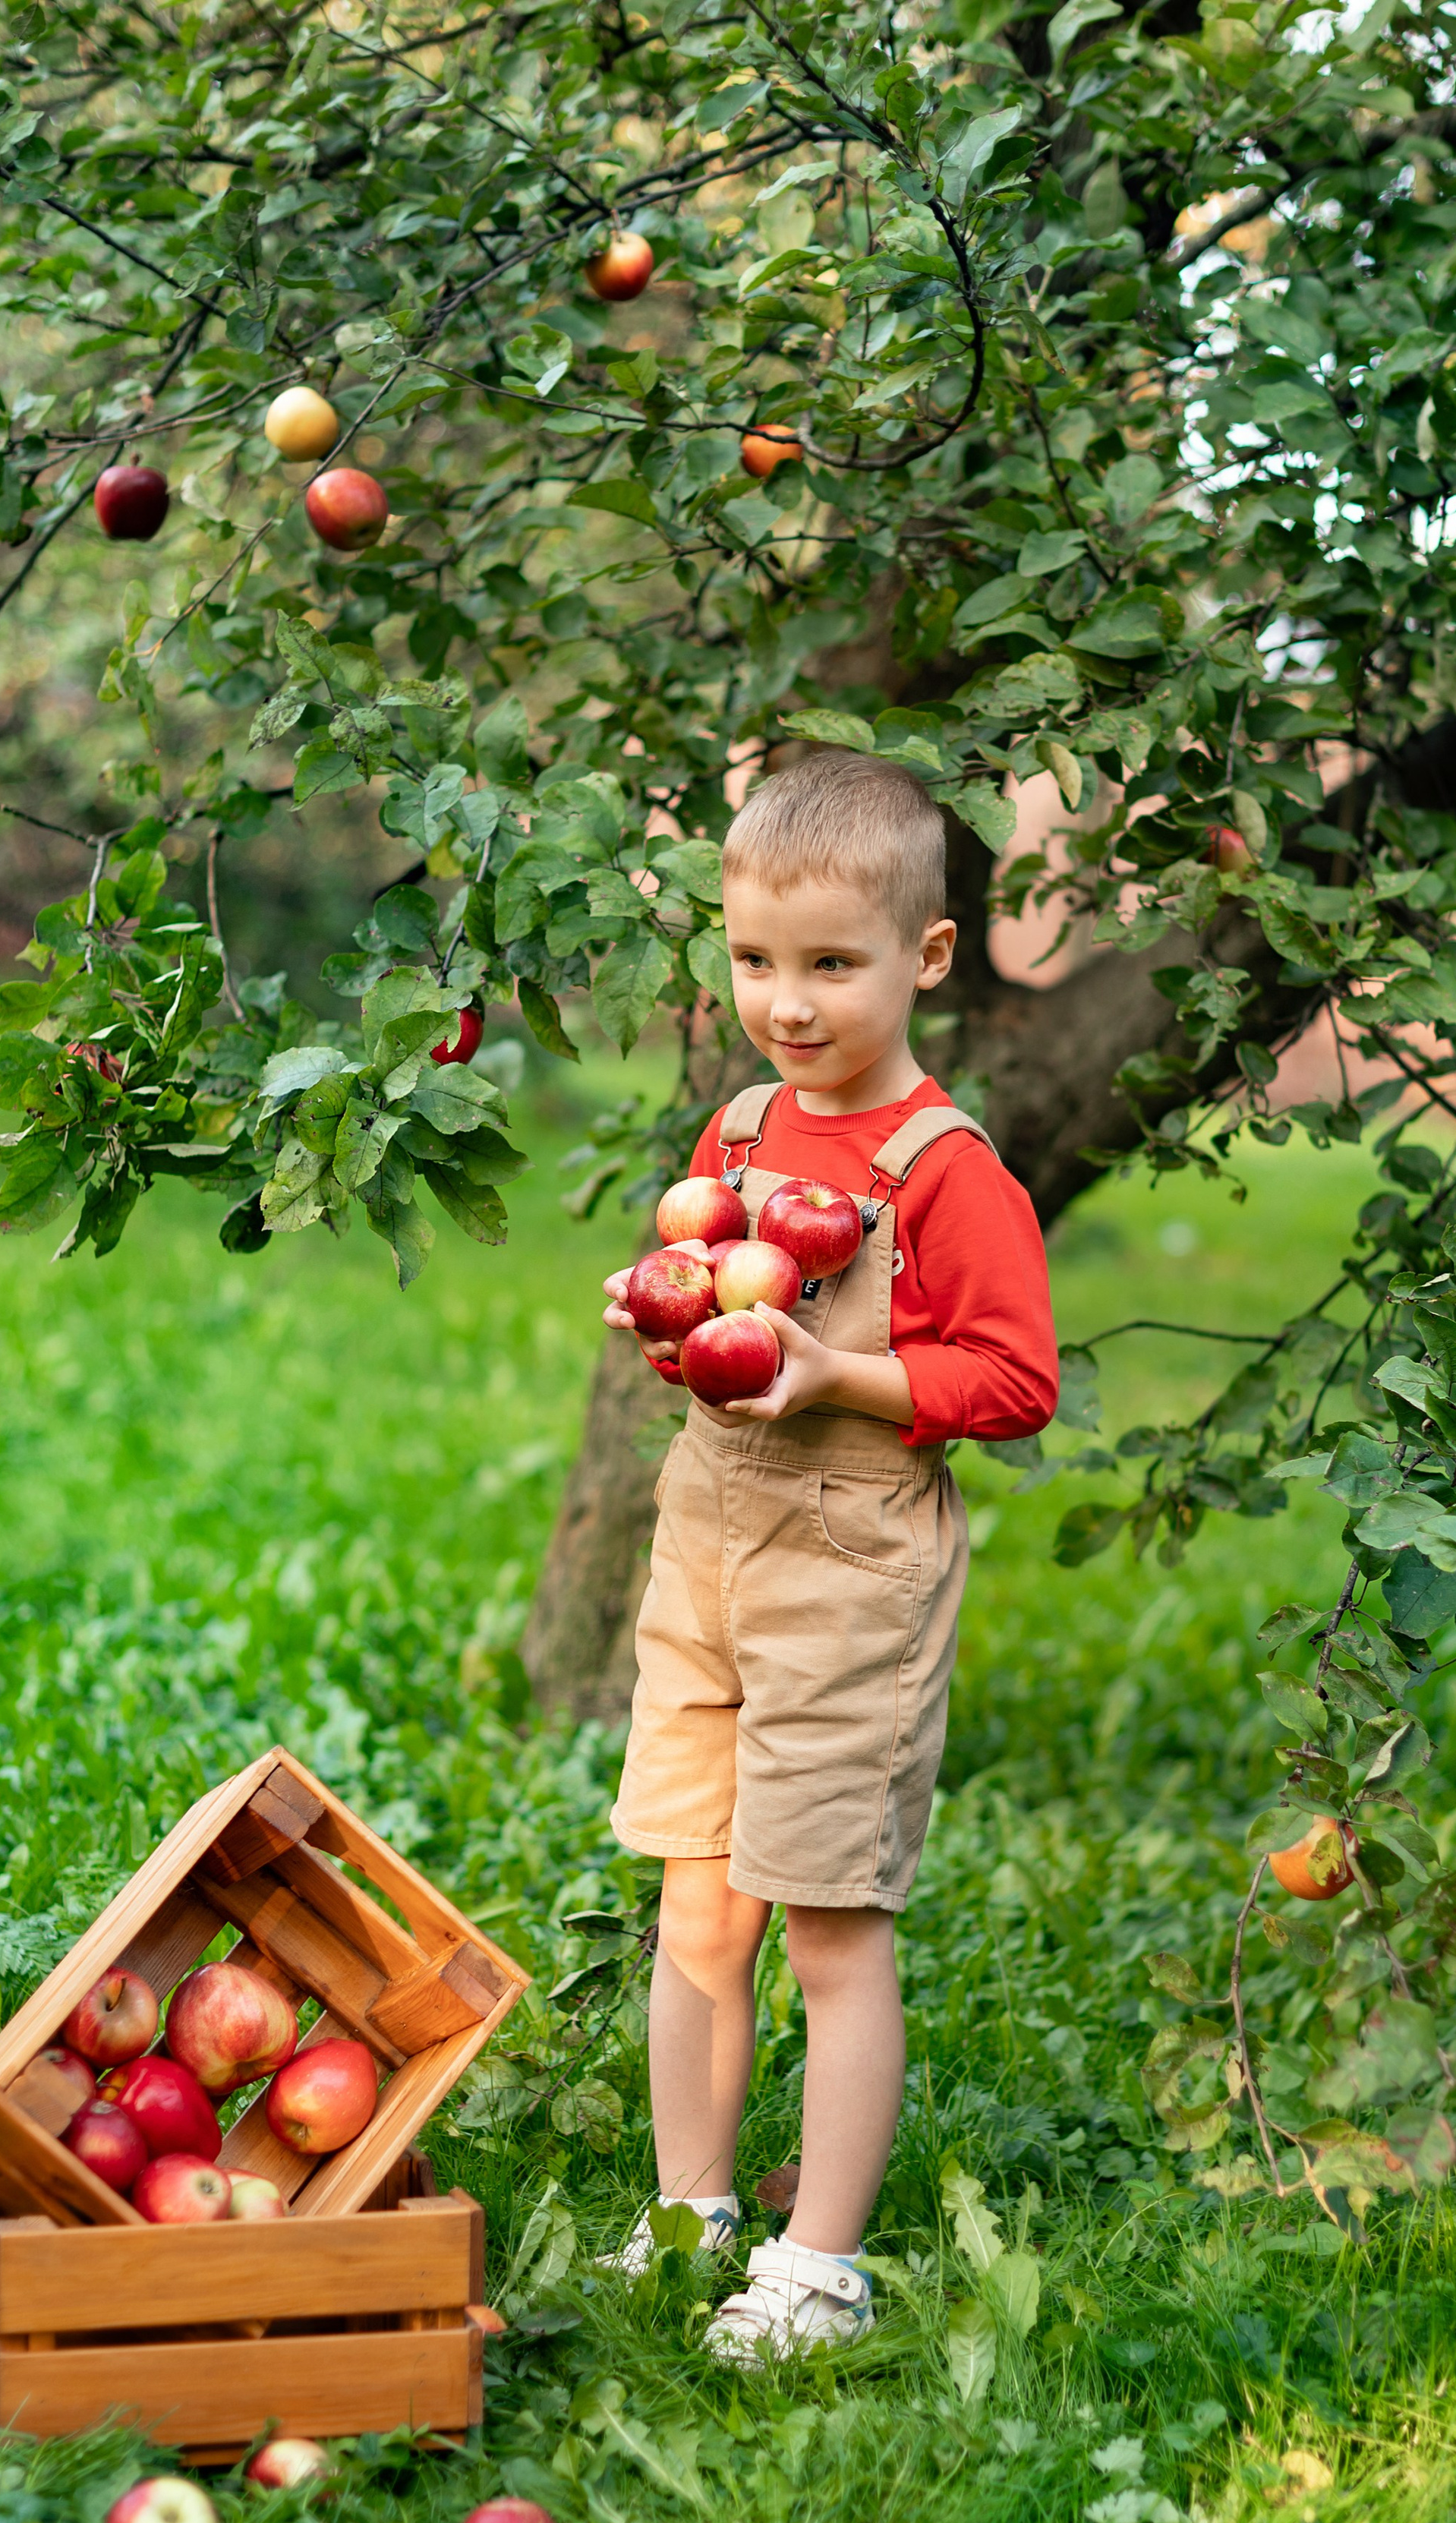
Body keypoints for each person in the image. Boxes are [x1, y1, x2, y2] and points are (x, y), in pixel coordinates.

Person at [598, 746, 1060, 2361]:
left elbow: (1011, 1388)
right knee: (695, 1905)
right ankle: (689, 2207)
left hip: (850, 1572)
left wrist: (834, 1372)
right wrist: (669, 1310)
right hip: (710, 1550)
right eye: (750, 962)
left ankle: (817, 2259)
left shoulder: (945, 1172)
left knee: (826, 1923)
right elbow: (731, 1311)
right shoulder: (734, 1132)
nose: (784, 1003)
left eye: (827, 965)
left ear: (924, 959)